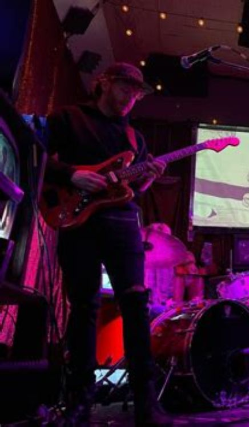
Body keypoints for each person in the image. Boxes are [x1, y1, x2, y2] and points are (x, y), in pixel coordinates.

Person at [45, 63, 173, 427]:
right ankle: (79, 401)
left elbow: (131, 190)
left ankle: (146, 402)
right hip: (78, 221)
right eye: (125, 88)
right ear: (103, 82)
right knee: (84, 306)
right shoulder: (69, 118)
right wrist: (72, 175)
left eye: (137, 93)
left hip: (122, 223)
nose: (131, 97)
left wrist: (147, 179)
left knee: (135, 304)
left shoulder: (135, 138)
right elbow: (36, 154)